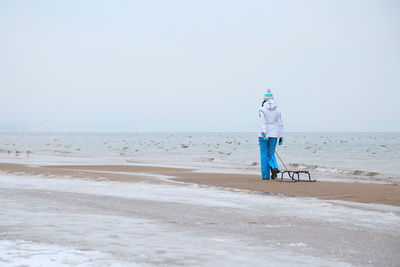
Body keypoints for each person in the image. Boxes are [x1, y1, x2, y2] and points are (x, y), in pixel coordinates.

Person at [258, 89, 284, 180]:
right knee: (271, 153)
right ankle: (274, 167)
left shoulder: (262, 110)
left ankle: (265, 176)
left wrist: (264, 132)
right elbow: (280, 123)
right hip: (275, 134)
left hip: (263, 135)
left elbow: (262, 123)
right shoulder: (278, 110)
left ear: (264, 99)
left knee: (264, 154)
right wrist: (281, 136)